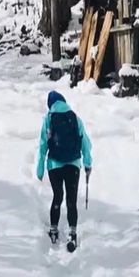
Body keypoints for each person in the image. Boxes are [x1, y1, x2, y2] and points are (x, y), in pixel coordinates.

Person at [36, 90, 92, 250]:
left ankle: (53, 229)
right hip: (73, 164)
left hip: (54, 165)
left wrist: (40, 168)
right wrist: (87, 164)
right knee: (71, 200)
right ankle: (72, 233)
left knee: (58, 196)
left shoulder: (48, 119)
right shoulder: (74, 117)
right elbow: (85, 142)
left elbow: (43, 145)